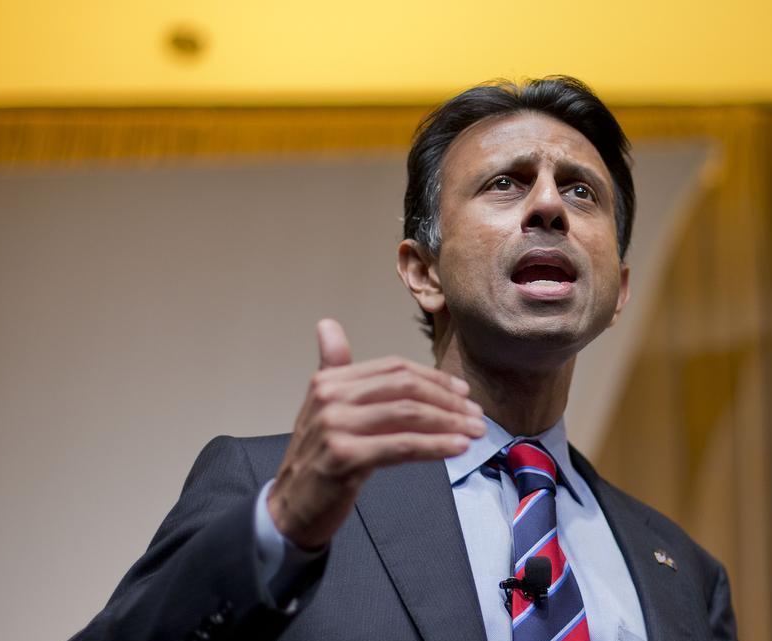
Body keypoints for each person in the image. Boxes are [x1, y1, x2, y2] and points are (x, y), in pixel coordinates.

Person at [71, 76, 738, 641]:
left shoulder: (683, 575)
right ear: (422, 272)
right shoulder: (267, 485)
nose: (548, 206)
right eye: (506, 182)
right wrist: (279, 533)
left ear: (618, 290)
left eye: (580, 191)